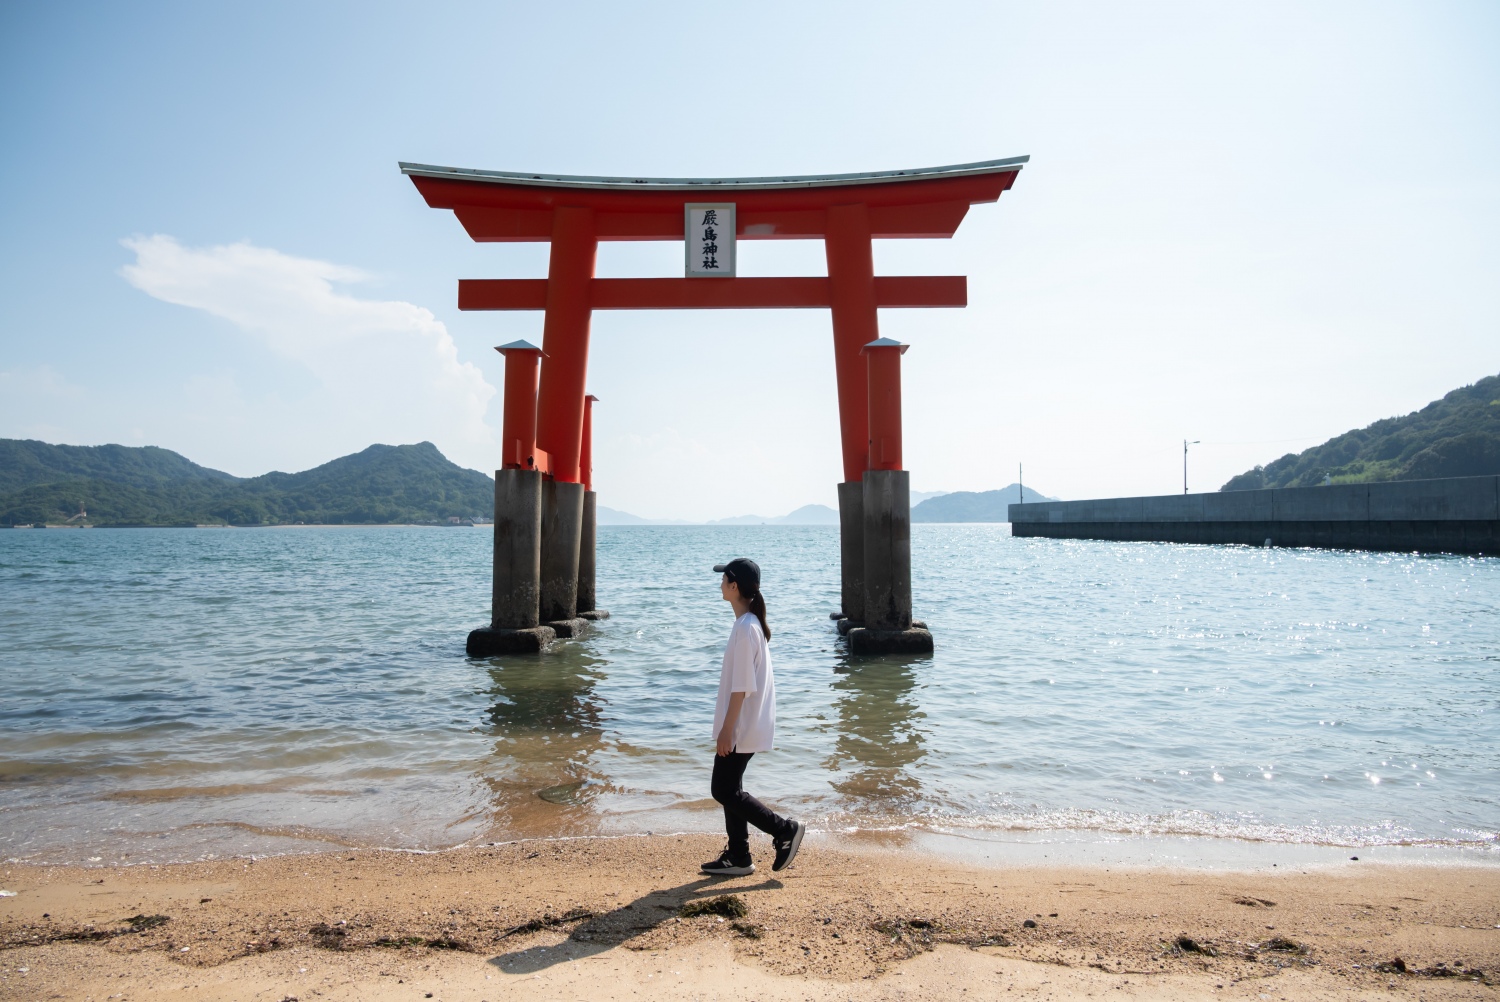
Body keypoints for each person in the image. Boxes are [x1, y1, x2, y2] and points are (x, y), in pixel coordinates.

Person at [700, 557, 805, 876]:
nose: (720, 584)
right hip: (746, 723)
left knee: (723, 790)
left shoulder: (746, 628)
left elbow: (742, 686)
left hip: (741, 725)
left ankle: (784, 830)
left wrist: (727, 729)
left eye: (724, 580)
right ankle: (738, 856)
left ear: (734, 586)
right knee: (731, 787)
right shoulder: (748, 624)